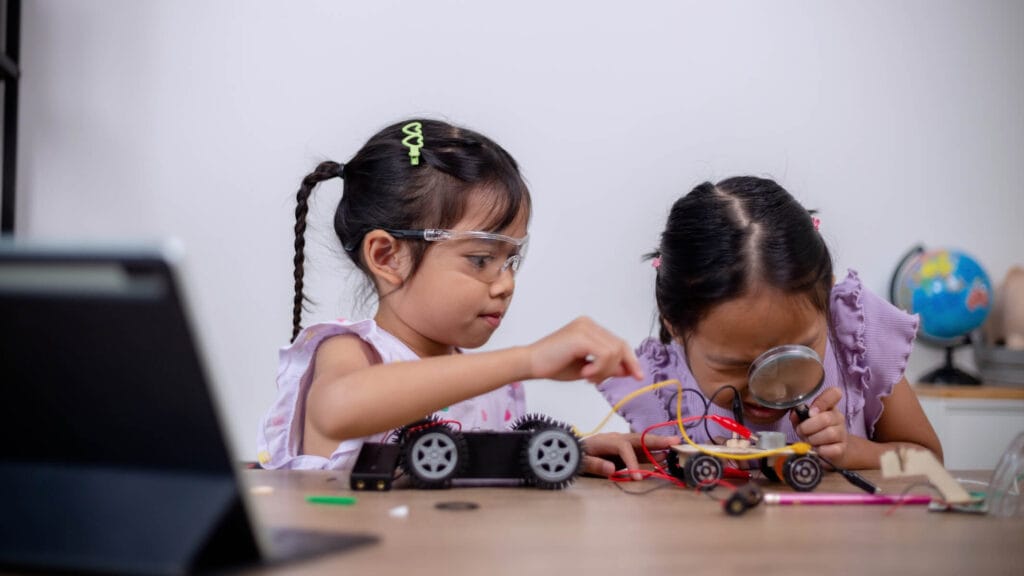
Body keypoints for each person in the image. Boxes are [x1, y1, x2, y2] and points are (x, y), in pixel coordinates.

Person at [257, 118, 676, 476]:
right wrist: (526, 360)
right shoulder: (350, 353)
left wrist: (565, 452)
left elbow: (477, 467)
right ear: (387, 256)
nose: (506, 283)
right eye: (480, 260)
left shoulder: (484, 381)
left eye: (511, 259)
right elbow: (338, 409)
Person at [599, 176, 942, 470]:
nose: (771, 388)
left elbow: (928, 463)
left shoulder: (855, 338)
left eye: (796, 353)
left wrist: (852, 451)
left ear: (827, 304)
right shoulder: (659, 390)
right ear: (674, 325)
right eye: (734, 365)